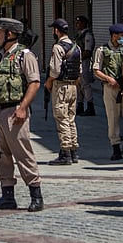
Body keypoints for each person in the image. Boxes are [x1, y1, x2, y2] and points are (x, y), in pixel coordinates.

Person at [0, 17, 43, 212]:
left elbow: (34, 83)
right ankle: (7, 196)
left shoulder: (24, 55)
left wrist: (22, 107)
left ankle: (36, 194)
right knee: (1, 154)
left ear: (10, 34)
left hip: (14, 111)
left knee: (23, 153)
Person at [94, 23, 123, 161]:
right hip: (110, 88)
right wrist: (108, 78)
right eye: (122, 35)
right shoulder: (102, 50)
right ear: (114, 35)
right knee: (113, 119)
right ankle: (115, 147)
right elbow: (96, 70)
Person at [45, 18, 83, 165]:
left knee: (62, 118)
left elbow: (55, 70)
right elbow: (79, 70)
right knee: (71, 119)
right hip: (73, 85)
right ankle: (73, 151)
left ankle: (65, 152)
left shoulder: (58, 47)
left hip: (61, 86)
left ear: (56, 31)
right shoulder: (76, 47)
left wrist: (48, 82)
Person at [74, 15, 96, 117]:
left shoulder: (87, 35)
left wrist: (77, 59)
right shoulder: (79, 35)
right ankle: (80, 105)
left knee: (85, 85)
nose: (77, 24)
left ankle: (90, 106)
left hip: (85, 62)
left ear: (84, 23)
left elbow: (87, 51)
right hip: (79, 62)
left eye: (79, 23)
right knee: (78, 85)